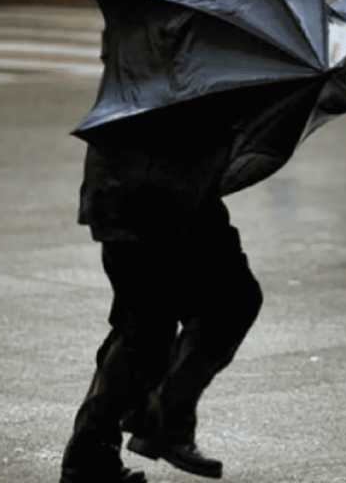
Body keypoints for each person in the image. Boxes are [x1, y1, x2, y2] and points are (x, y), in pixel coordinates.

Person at [59, 118, 263, 483]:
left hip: (118, 186)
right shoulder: (189, 65)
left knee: (144, 327)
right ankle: (166, 417)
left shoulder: (140, 68)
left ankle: (90, 453)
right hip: (169, 191)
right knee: (233, 299)